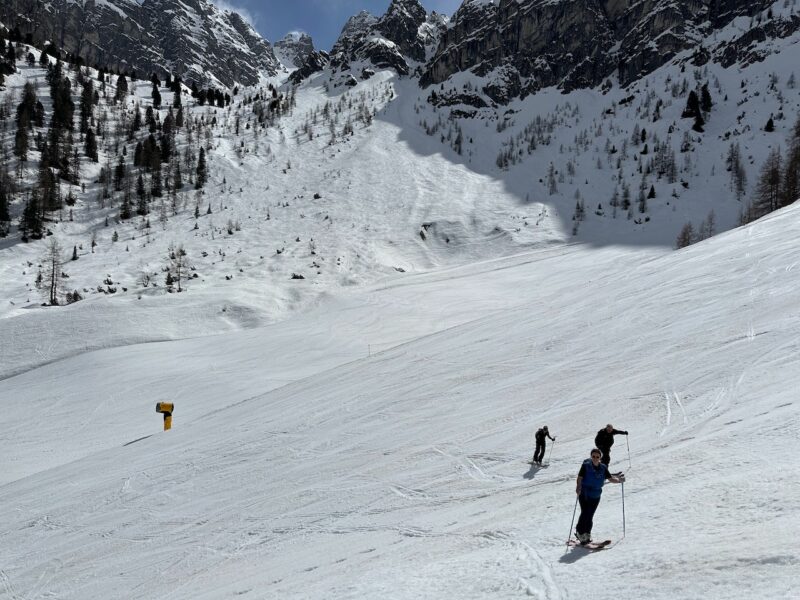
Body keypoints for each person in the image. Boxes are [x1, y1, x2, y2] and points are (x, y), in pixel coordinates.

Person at [574, 448, 625, 544]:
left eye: (597, 457)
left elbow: (610, 479)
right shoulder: (586, 466)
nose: (595, 458)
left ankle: (587, 534)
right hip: (584, 493)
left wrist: (619, 481)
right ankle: (580, 533)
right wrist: (578, 487)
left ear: (600, 457)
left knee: (590, 515)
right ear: (591, 456)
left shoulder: (603, 468)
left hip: (596, 495)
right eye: (593, 456)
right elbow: (580, 478)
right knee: (585, 513)